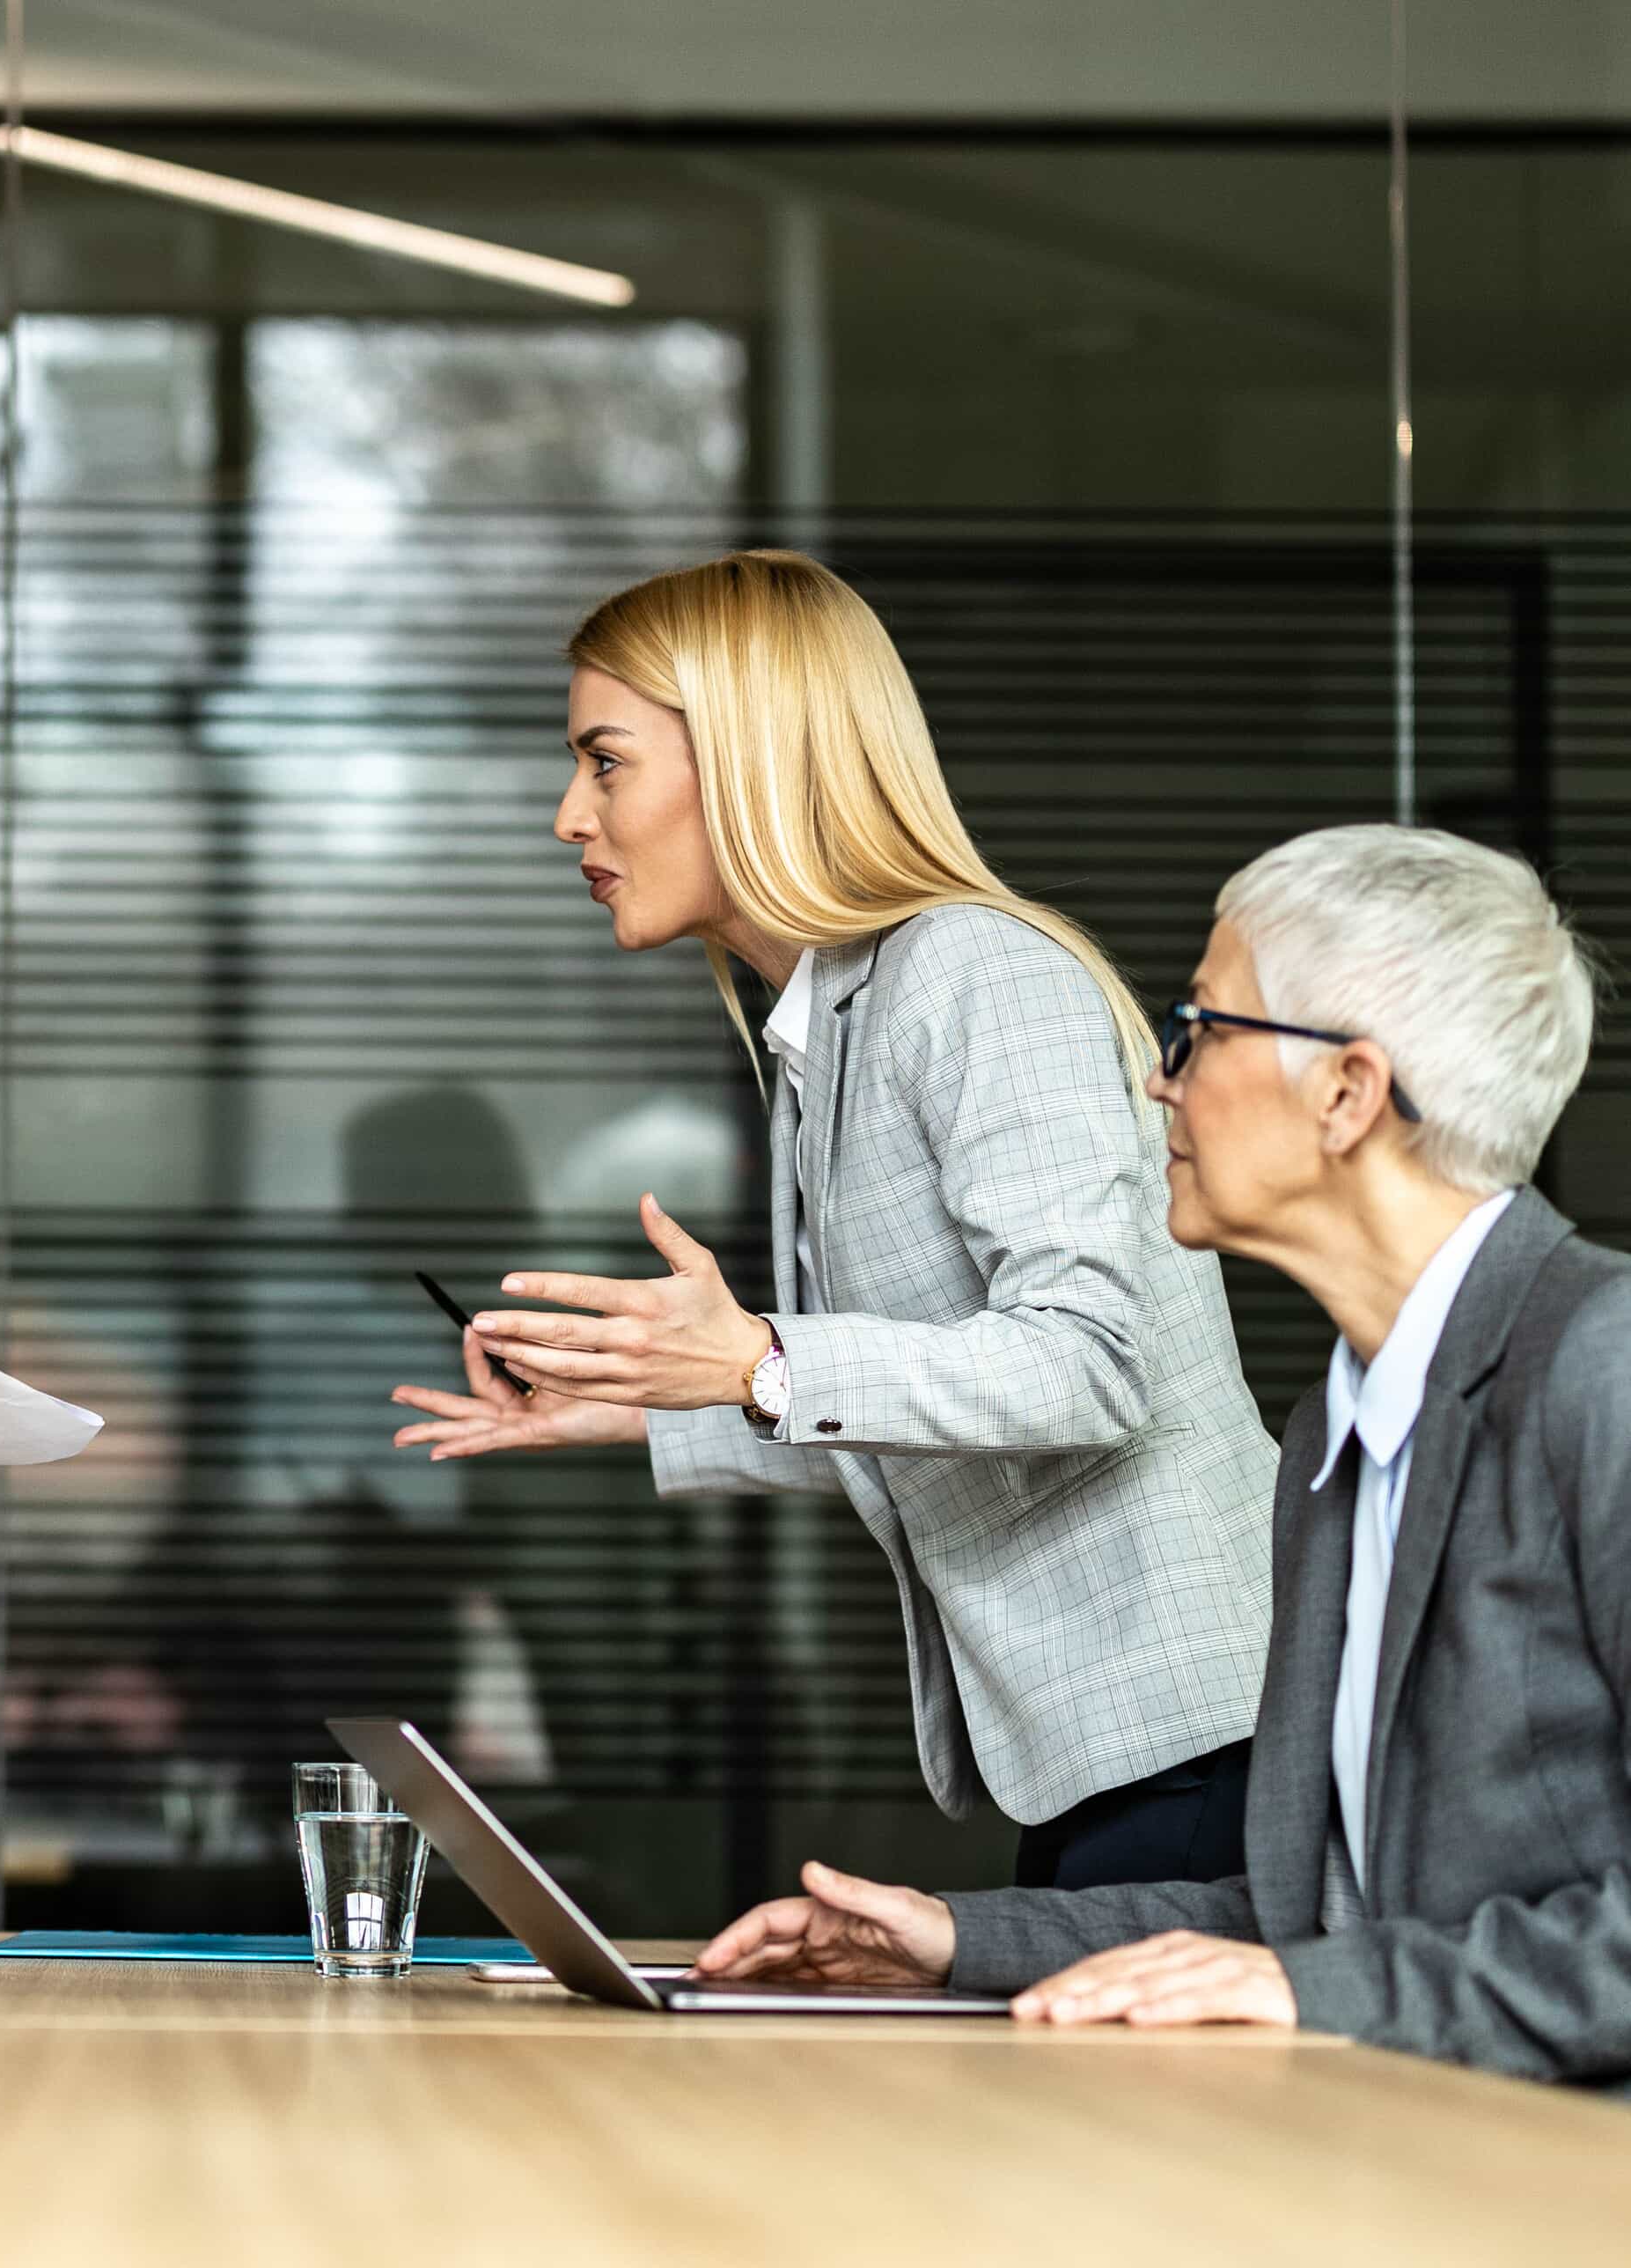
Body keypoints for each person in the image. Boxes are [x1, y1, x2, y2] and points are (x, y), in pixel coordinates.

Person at [692, 827, 1631, 2091]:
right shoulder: (1337, 1434)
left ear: (1349, 1093)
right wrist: (959, 1942)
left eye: (1204, 1032)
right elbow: (1312, 1928)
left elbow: (1328, 1971)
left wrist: (1312, 1986)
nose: (1159, 1082)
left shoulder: (1602, 1368)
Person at [388, 549, 1275, 1889]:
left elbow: (1093, 1368)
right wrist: (651, 1404)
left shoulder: (974, 977)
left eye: (605, 760)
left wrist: (755, 1362)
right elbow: (940, 1413)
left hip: (1199, 1739)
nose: (568, 814)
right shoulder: (832, 1025)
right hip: (1108, 1751)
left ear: (748, 758)